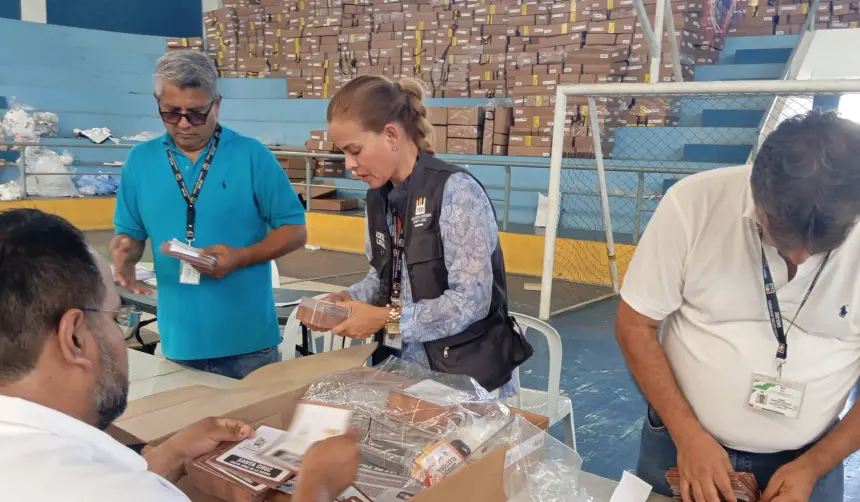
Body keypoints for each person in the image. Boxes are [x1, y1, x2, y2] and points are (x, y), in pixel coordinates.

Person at [0, 208, 358, 502]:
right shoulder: (110, 491)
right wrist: (317, 488)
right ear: (75, 338)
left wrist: (169, 456)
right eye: (113, 317)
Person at [616, 110, 860, 502]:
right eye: (780, 236)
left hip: (812, 462)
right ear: (756, 193)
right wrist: (688, 434)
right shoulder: (694, 204)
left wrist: (815, 465)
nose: (798, 257)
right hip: (682, 444)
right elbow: (635, 325)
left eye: (821, 246)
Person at [321, 75, 532, 397]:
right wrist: (350, 299)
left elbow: (470, 303)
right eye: (343, 154)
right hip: (398, 369)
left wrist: (383, 319)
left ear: (391, 134)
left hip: (465, 378)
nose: (350, 165)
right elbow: (384, 279)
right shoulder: (378, 198)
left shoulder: (455, 192)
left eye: (355, 150)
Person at [112, 50, 307, 379]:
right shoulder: (140, 161)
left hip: (249, 343)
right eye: (171, 113)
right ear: (157, 101)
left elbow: (295, 230)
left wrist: (241, 257)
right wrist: (124, 255)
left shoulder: (251, 155)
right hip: (178, 341)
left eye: (197, 113)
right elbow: (130, 234)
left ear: (216, 104)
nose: (184, 124)